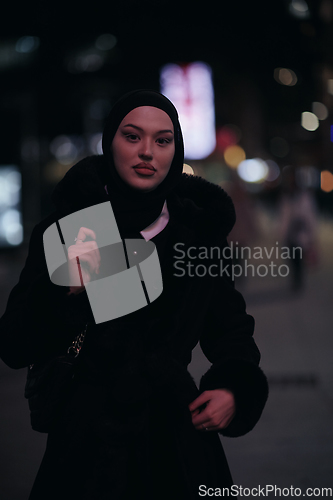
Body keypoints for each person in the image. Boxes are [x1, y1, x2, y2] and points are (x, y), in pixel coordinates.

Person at [0, 90, 268, 500]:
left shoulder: (197, 236)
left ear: (175, 150)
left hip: (177, 442)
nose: (147, 152)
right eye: (132, 136)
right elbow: (15, 343)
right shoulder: (72, 228)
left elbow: (231, 330)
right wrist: (66, 290)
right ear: (110, 142)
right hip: (85, 448)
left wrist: (233, 388)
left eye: (163, 140)